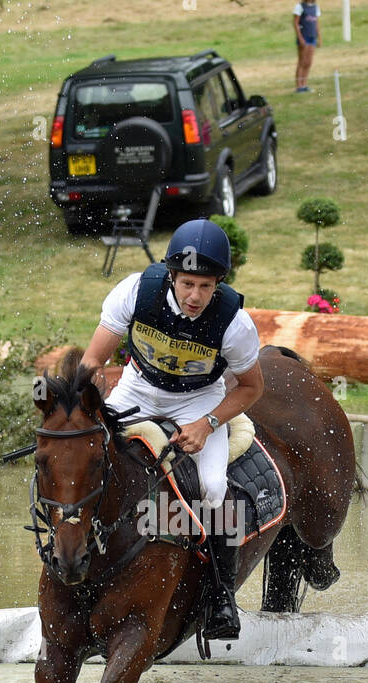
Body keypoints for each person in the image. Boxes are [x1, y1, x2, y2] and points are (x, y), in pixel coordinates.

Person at [78, 219, 265, 640]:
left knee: (214, 487)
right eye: (186, 284)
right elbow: (91, 363)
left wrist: (208, 422)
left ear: (219, 281)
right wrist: (74, 413)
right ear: (171, 276)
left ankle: (221, 596)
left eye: (205, 285)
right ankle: (80, 555)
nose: (195, 296)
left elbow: (253, 386)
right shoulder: (134, 292)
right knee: (90, 457)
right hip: (137, 387)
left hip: (199, 399)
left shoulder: (234, 323)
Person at [293, 2, 320, 92]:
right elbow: (295, 23)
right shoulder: (300, 7)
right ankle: (299, 86)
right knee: (302, 61)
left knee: (309, 62)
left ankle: (304, 84)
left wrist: (319, 37)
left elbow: (316, 23)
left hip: (312, 37)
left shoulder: (316, 7)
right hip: (304, 36)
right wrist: (300, 38)